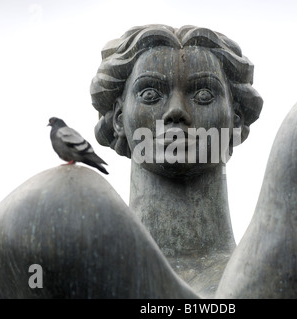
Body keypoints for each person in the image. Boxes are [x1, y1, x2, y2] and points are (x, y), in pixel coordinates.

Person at [90, 24, 263, 297]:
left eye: (204, 95)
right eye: (150, 94)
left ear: (236, 119)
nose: (176, 111)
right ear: (119, 119)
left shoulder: (277, 282)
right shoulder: (81, 281)